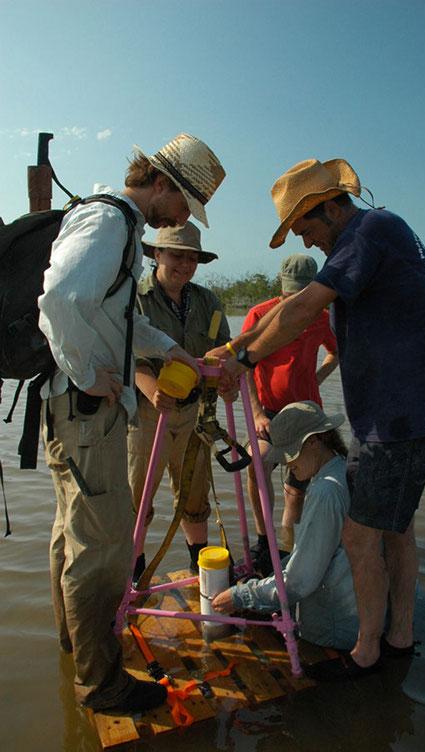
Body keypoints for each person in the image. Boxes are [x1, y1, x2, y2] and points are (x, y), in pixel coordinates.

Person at [211, 156, 425, 680]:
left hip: (397, 421)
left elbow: (300, 312)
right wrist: (235, 345)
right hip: (406, 416)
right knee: (397, 530)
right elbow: (292, 305)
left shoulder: (370, 231)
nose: (305, 242)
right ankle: (399, 636)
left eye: (306, 227)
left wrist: (245, 361)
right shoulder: (374, 235)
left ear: (330, 207)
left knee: (359, 535)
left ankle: (368, 652)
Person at [38, 133, 225, 712]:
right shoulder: (113, 221)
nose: (177, 222)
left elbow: (111, 313)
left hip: (79, 408)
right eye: (181, 207)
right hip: (87, 407)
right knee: (104, 541)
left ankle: (79, 649)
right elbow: (62, 299)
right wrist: (86, 373)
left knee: (75, 533)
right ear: (163, 185)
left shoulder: (113, 223)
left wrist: (171, 349)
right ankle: (101, 682)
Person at [127, 221, 230, 577]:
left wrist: (226, 376)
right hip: (145, 415)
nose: (185, 264)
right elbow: (130, 359)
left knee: (195, 496)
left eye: (192, 258)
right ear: (157, 254)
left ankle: (197, 573)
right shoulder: (135, 297)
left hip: (194, 414)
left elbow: (223, 353)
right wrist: (153, 390)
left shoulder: (208, 301)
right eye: (176, 255)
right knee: (137, 500)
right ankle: (134, 579)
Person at [212, 401, 358, 649]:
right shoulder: (339, 469)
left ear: (315, 440)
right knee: (270, 559)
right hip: (345, 594)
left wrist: (242, 596)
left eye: (290, 454)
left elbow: (301, 580)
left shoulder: (326, 491)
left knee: (249, 617)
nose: (286, 463)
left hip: (332, 627)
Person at [242, 253, 338, 564]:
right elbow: (243, 365)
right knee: (256, 465)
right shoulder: (260, 315)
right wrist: (256, 413)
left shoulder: (321, 316)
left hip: (306, 414)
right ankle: (262, 540)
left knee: (297, 487)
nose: (292, 300)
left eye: (301, 294)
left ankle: (287, 548)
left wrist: (316, 378)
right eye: (288, 293)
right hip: (268, 412)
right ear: (281, 284)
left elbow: (336, 353)